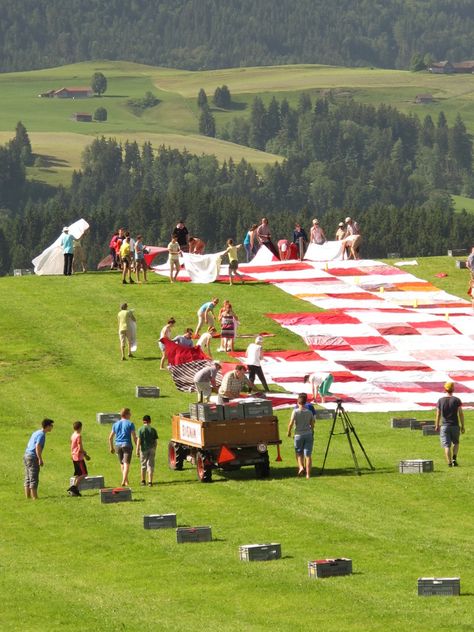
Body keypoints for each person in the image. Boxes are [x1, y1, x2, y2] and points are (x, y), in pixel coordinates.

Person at [435, 382, 465, 467]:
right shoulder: (456, 400)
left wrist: (437, 425)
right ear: (453, 389)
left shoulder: (440, 400)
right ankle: (454, 459)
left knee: (447, 445)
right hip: (455, 425)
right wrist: (462, 426)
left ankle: (449, 463)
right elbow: (461, 414)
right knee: (456, 443)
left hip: (444, 426)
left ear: (445, 389)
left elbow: (438, 414)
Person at [23, 418, 54, 499]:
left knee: (28, 477)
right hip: (33, 457)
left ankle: (28, 497)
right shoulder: (42, 435)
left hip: (26, 455)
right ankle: (34, 498)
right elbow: (37, 446)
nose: (52, 427)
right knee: (34, 477)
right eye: (51, 425)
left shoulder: (36, 432)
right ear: (47, 426)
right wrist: (40, 458)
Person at [287, 393, 315, 479]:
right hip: (308, 434)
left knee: (299, 453)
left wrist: (289, 432)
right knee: (308, 455)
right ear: (305, 402)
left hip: (298, 434)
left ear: (298, 402)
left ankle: (301, 467)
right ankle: (308, 474)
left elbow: (291, 423)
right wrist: (312, 430)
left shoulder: (295, 411)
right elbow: (312, 424)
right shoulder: (309, 412)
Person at [108, 408, 138, 486]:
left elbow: (110, 437)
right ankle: (123, 480)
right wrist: (137, 446)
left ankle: (126, 481)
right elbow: (134, 436)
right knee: (126, 463)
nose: (131, 415)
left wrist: (111, 447)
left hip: (117, 445)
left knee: (122, 463)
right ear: (126, 415)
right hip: (127, 444)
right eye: (129, 414)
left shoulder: (116, 424)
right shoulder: (130, 423)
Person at [67, 421, 90, 497]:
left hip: (74, 456)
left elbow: (72, 446)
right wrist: (85, 454)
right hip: (79, 457)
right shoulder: (79, 436)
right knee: (84, 474)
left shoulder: (73, 435)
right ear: (80, 427)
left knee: (78, 474)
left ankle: (74, 490)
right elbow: (80, 448)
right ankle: (74, 488)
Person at [136, 415, 158, 487]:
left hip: (144, 449)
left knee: (143, 465)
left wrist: (137, 450)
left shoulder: (141, 429)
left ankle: (143, 481)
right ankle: (150, 482)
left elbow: (139, 440)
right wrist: (154, 448)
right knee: (151, 465)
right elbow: (155, 441)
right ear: (150, 421)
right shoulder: (153, 430)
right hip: (152, 449)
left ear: (143, 421)